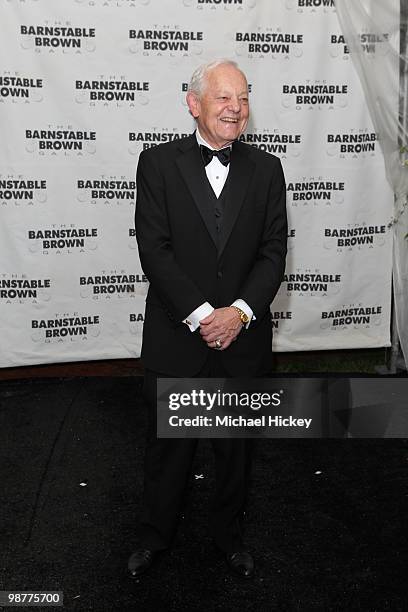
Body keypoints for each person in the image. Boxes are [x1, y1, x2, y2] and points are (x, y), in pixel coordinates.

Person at [129, 59, 287, 578]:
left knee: (234, 453)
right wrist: (203, 316)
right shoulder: (156, 164)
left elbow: (272, 255)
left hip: (241, 339)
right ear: (193, 103)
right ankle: (154, 537)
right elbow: (155, 250)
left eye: (242, 98)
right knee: (167, 451)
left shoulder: (267, 169)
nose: (235, 108)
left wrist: (239, 314)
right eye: (223, 97)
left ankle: (230, 538)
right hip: (178, 336)